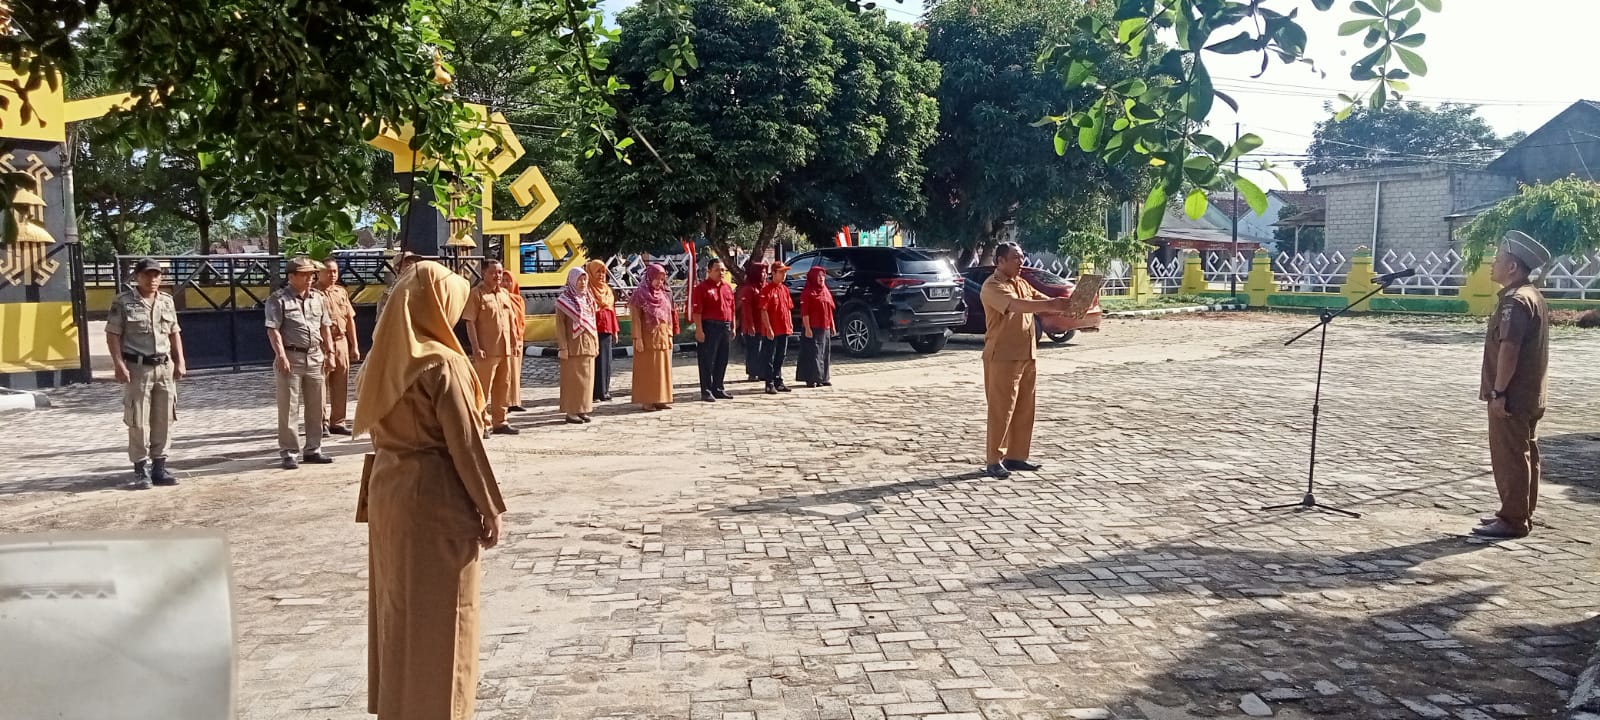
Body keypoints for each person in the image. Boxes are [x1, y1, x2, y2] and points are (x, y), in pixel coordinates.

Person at [353, 260, 506, 720]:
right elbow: (465, 443)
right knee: (447, 613)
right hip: (436, 494)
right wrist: (489, 506)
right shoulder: (442, 364)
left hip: (388, 491)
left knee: (398, 606)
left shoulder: (385, 357)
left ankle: (400, 706)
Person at [1473, 230, 1552, 540]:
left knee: (1510, 455)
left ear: (1512, 268)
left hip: (1513, 395)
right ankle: (1518, 511)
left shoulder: (1516, 301)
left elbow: (1510, 348)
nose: (1492, 265)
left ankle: (1513, 519)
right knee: (1525, 452)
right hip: (1530, 392)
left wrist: (1499, 392)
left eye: (1498, 261)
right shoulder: (1532, 295)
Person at [979, 242, 1073, 479]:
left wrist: (1068, 305)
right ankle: (994, 459)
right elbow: (1017, 306)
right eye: (1015, 258)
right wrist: (1050, 304)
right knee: (1001, 410)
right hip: (1002, 356)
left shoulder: (1021, 283)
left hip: (1026, 353)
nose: (1021, 262)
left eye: (1021, 258)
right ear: (1000, 261)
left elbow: (1042, 301)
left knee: (1024, 408)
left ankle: (1016, 456)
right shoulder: (993, 286)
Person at [106, 257, 187, 489]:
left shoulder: (166, 301)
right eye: (148, 275)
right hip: (137, 368)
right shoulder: (123, 302)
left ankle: (160, 467)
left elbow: (174, 332)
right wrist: (118, 364)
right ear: (137, 276)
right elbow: (112, 334)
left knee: (165, 417)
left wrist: (180, 360)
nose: (153, 279)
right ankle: (140, 469)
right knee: (138, 419)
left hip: (164, 367)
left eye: (157, 275)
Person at [266, 257, 337, 469]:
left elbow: (325, 326)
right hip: (291, 357)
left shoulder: (318, 298)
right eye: (304, 274)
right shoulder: (278, 299)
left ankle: (313, 448)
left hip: (315, 356)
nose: (310, 278)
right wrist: (281, 355)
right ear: (291, 277)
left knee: (317, 405)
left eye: (311, 274)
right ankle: (289, 452)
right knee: (289, 407)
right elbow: (273, 330)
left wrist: (330, 352)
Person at [464, 261, 520, 436]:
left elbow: (511, 320)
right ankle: (481, 423)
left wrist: (514, 341)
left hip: (505, 350)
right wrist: (475, 347)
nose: (497, 276)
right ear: (483, 273)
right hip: (486, 351)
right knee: (482, 389)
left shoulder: (504, 294)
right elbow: (470, 322)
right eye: (493, 272)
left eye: (500, 272)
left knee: (503, 386)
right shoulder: (476, 294)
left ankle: (500, 421)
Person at [318, 258, 361, 435]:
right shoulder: (313, 294)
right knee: (320, 384)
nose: (332, 275)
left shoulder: (341, 292)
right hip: (321, 343)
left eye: (335, 271)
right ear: (319, 273)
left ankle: (338, 421)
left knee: (341, 382)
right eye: (328, 271)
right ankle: (322, 423)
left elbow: (350, 319)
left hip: (341, 341)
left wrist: (354, 346)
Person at [628, 263, 678, 411]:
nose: (659, 282)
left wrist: (669, 335)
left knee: (661, 369)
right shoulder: (639, 294)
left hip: (662, 336)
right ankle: (646, 400)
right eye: (657, 278)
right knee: (647, 370)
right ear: (649, 276)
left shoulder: (663, 295)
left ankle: (660, 398)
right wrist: (637, 339)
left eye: (662, 279)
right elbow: (636, 319)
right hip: (646, 338)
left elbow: (668, 317)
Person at [554, 267, 599, 424]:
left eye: (585, 279)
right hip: (572, 346)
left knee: (587, 380)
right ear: (572, 280)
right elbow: (559, 326)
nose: (582, 282)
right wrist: (563, 347)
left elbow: (593, 323)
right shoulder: (563, 301)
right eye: (579, 279)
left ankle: (583, 409)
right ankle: (571, 411)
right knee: (572, 380)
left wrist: (596, 344)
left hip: (588, 344)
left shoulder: (588, 299)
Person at [691, 258, 736, 402]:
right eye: (717, 270)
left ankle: (718, 388)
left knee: (722, 359)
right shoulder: (702, 288)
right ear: (709, 271)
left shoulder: (727, 287)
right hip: (709, 326)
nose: (721, 273)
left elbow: (732, 308)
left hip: (725, 326)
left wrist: (733, 326)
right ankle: (706, 390)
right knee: (707, 360)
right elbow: (697, 312)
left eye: (723, 270)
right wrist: (699, 330)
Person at [757, 262, 795, 395]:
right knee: (769, 356)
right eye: (781, 272)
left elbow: (788, 309)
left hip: (783, 328)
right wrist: (768, 328)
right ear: (773, 273)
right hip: (772, 330)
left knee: (781, 355)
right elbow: (763, 311)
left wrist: (789, 325)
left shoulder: (784, 289)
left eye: (785, 272)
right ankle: (769, 383)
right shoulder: (767, 290)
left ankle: (778, 380)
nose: (784, 275)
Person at [796, 265, 835, 388]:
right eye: (819, 276)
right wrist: (807, 328)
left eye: (823, 276)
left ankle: (823, 377)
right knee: (813, 353)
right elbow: (805, 312)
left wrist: (832, 325)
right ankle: (812, 378)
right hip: (813, 327)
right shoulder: (808, 293)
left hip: (825, 326)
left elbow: (829, 309)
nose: (822, 278)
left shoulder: (825, 291)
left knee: (824, 352)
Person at [586, 259, 619, 402]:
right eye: (597, 271)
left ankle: (604, 391)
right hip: (592, 328)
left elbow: (612, 310)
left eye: (603, 272)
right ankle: (593, 393)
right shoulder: (587, 289)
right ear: (590, 273)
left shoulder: (607, 290)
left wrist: (615, 330)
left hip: (607, 328)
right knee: (595, 360)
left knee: (606, 360)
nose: (600, 275)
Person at [736, 262, 768, 383]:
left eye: (765, 272)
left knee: (763, 349)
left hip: (764, 324)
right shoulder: (748, 289)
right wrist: (750, 326)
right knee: (754, 349)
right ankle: (753, 372)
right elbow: (746, 310)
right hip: (753, 325)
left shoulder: (765, 287)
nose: (764, 275)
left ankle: (762, 371)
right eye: (762, 272)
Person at [502, 269, 527, 413]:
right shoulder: (500, 298)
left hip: (518, 337)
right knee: (507, 371)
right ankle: (505, 401)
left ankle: (515, 401)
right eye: (503, 280)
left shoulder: (519, 299)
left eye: (508, 280)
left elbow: (522, 319)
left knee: (516, 371)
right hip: (506, 338)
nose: (506, 284)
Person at [376, 251, 421, 320]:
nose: (412, 267)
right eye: (407, 265)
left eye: (413, 263)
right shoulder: (388, 295)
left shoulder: (422, 285)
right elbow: (382, 321)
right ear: (397, 269)